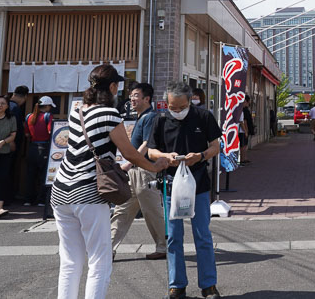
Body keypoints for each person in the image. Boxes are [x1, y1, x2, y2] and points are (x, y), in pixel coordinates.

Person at [51, 65, 168, 299]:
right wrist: (155, 166)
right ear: (113, 87)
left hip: (61, 190)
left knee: (71, 260)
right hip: (88, 193)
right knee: (99, 259)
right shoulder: (110, 114)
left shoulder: (78, 110)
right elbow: (130, 153)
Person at [148, 85, 223, 299]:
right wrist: (165, 156)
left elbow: (216, 146)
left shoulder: (203, 116)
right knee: (173, 237)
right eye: (172, 107)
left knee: (203, 235)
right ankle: (176, 285)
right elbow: (151, 151)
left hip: (198, 183)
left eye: (181, 107)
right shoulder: (160, 120)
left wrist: (199, 156)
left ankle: (209, 285)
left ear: (190, 101)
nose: (177, 110)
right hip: (171, 185)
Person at [110, 82, 167, 260]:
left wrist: (129, 164)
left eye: (135, 95)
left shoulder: (150, 117)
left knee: (152, 211)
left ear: (146, 99)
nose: (131, 99)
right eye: (131, 95)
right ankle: (107, 247)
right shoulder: (142, 116)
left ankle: (164, 247)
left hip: (144, 171)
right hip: (135, 171)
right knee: (122, 210)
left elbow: (147, 143)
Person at [24, 95, 55, 206]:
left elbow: (27, 134)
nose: (50, 108)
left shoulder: (29, 116)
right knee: (43, 175)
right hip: (44, 148)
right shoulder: (47, 116)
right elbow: (51, 131)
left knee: (30, 175)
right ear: (46, 106)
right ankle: (41, 200)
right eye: (50, 106)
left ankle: (28, 199)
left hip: (32, 148)